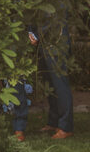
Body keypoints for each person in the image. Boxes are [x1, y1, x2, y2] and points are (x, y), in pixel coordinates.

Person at [29, 11, 74, 140]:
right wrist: (31, 32)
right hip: (43, 44)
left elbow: (57, 17)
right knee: (50, 85)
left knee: (60, 85)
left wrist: (37, 34)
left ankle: (66, 127)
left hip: (56, 44)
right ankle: (53, 122)